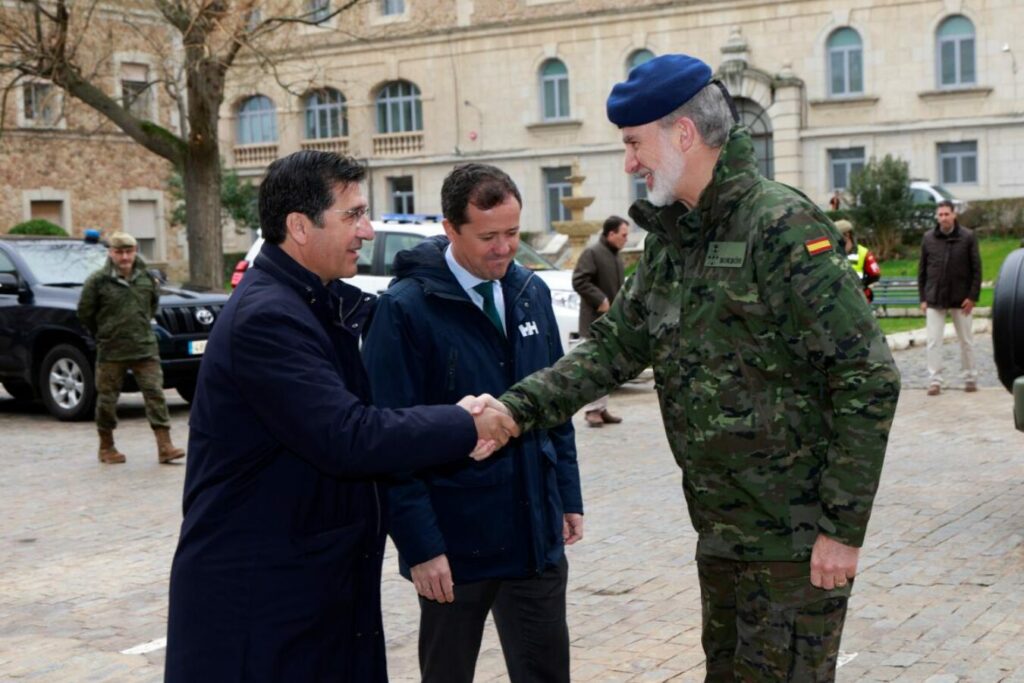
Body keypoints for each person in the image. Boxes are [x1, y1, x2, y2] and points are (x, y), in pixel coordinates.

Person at [494, 54, 901, 681]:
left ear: (683, 133)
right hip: (721, 534)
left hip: (793, 543)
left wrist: (842, 530)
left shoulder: (780, 225)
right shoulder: (670, 244)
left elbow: (866, 375)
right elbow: (611, 349)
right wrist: (511, 410)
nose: (629, 162)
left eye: (634, 143)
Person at [164, 151, 517, 682]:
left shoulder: (311, 304)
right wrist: (464, 423)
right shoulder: (268, 320)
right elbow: (347, 434)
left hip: (309, 592)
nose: (368, 230)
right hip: (261, 608)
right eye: (352, 215)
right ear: (299, 227)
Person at [363, 163, 582, 683]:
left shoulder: (531, 292)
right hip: (454, 547)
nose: (504, 248)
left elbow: (554, 404)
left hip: (534, 536)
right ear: (450, 229)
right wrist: (421, 547)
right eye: (488, 237)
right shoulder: (404, 310)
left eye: (512, 233)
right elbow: (389, 440)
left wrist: (567, 496)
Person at [76, 231, 185, 465]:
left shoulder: (147, 278)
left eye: (129, 252)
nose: (124, 257)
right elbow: (85, 313)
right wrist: (104, 332)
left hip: (144, 347)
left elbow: (152, 306)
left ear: (135, 251)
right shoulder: (97, 281)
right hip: (111, 350)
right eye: (119, 252)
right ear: (111, 253)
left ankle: (165, 445)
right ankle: (106, 446)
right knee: (107, 400)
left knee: (155, 395)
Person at [918, 200, 982, 395]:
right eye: (940, 215)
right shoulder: (928, 238)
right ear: (937, 217)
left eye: (947, 214)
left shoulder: (968, 237)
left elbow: (976, 269)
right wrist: (923, 297)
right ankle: (935, 380)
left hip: (961, 299)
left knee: (966, 341)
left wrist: (972, 297)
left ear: (954, 215)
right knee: (933, 341)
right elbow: (922, 270)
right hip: (934, 298)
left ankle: (970, 377)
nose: (943, 218)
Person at [572, 215, 628, 427]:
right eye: (623, 235)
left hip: (611, 322)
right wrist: (600, 299)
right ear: (611, 233)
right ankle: (591, 410)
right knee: (593, 367)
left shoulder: (615, 256)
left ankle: (601, 408)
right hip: (594, 321)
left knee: (606, 368)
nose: (625, 239)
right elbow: (579, 280)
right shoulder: (593, 252)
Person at [835, 219, 881, 302]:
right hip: (837, 300)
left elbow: (875, 275)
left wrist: (862, 286)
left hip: (858, 298)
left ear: (847, 234)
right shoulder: (831, 252)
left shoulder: (863, 252)